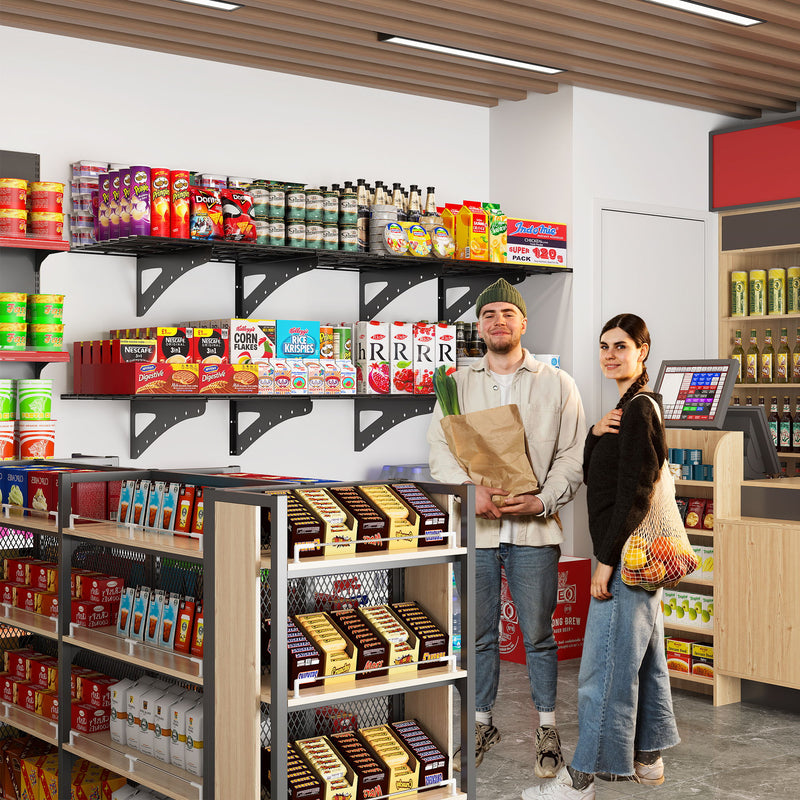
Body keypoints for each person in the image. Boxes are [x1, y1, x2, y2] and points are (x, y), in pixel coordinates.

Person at [427, 278, 586, 776]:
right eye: (489, 313)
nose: (499, 321)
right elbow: (439, 452)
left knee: (538, 635)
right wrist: (468, 492)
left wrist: (542, 499)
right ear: (479, 326)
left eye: (507, 313)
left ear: (523, 323)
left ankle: (546, 727)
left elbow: (574, 454)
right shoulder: (457, 384)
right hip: (478, 532)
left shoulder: (557, 383)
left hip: (536, 533)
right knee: (478, 635)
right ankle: (481, 722)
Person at [523, 313, 680, 800]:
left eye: (621, 346)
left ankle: (582, 777)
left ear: (643, 351)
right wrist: (593, 434)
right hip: (636, 558)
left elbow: (636, 491)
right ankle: (648, 758)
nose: (611, 354)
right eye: (604, 346)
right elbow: (598, 478)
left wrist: (605, 560)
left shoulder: (639, 410)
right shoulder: (626, 408)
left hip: (626, 558)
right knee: (646, 659)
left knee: (602, 670)